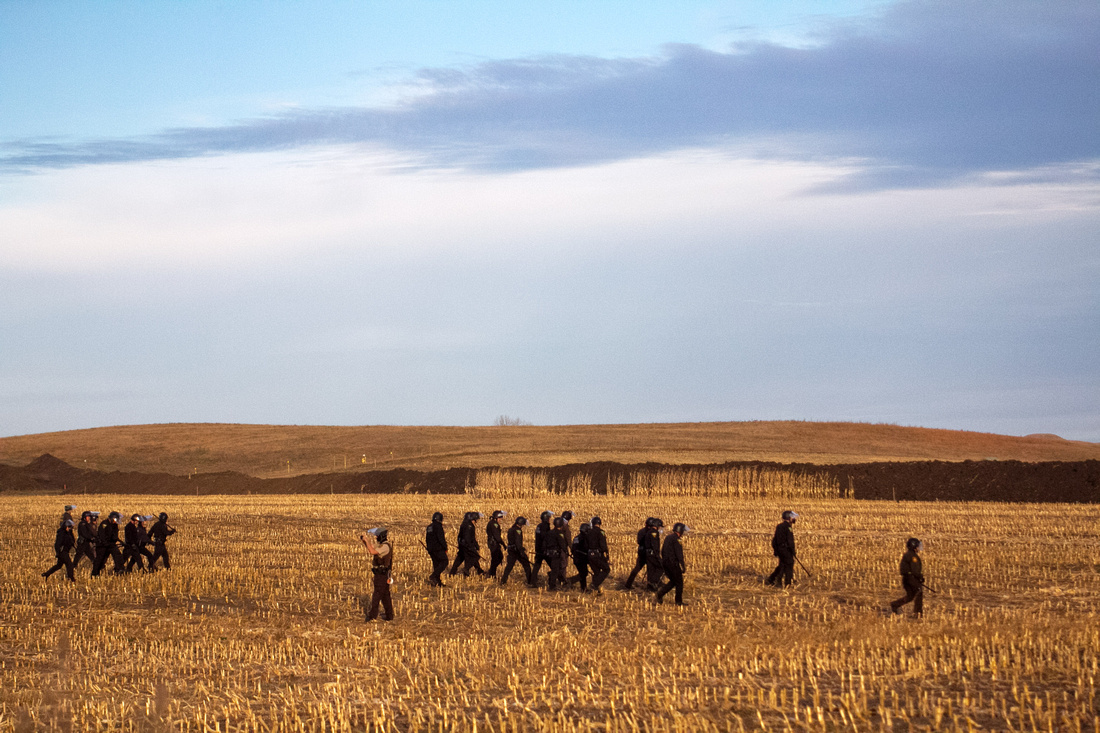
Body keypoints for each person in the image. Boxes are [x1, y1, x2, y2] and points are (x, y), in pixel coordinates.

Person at [360, 527, 394, 621]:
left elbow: (372, 551)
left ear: (382, 537)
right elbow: (372, 549)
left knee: (377, 596)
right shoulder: (383, 545)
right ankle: (389, 616)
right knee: (385, 596)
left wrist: (367, 540)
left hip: (381, 576)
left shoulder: (385, 547)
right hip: (382, 574)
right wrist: (365, 541)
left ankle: (372, 616)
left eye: (377, 536)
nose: (376, 538)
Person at [889, 538, 925, 618]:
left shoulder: (908, 555)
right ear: (914, 547)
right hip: (911, 579)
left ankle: (895, 604)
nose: (919, 548)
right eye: (917, 546)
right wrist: (920, 577)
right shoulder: (913, 557)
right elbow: (915, 570)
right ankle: (918, 614)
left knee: (910, 596)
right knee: (919, 592)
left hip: (907, 579)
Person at [655, 522, 689, 606]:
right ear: (680, 531)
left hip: (666, 563)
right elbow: (679, 553)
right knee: (679, 583)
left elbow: (663, 551)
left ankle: (660, 594)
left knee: (674, 581)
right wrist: (682, 565)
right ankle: (678, 602)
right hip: (673, 564)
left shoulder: (668, 537)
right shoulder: (678, 539)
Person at [766, 510, 798, 587]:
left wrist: (776, 550)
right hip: (786, 550)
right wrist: (793, 551)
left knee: (782, 565)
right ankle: (788, 583)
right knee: (789, 564)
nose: (794, 519)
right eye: (792, 517)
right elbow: (790, 541)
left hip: (780, 549)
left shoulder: (779, 526)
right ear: (789, 518)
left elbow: (774, 540)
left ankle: (772, 579)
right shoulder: (788, 528)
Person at [501, 516, 533, 586]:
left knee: (509, 566)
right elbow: (518, 542)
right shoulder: (518, 531)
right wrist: (521, 551)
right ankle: (530, 581)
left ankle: (503, 580)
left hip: (511, 550)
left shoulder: (511, 529)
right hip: (517, 551)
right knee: (526, 565)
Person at [622, 518, 653, 590]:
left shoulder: (643, 531)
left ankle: (629, 584)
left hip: (644, 554)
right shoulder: (646, 532)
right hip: (644, 554)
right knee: (642, 569)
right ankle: (629, 585)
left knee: (644, 570)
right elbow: (640, 542)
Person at [91, 512, 124, 577]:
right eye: (115, 520)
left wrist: (119, 541)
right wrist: (105, 543)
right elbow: (101, 535)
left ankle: (119, 569)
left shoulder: (115, 525)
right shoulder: (104, 524)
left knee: (117, 555)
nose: (115, 522)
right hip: (102, 545)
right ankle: (95, 573)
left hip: (111, 544)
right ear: (111, 518)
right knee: (100, 560)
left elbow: (115, 535)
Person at [586, 517, 611, 594]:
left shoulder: (588, 532)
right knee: (606, 569)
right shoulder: (601, 532)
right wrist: (606, 555)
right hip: (597, 555)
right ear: (600, 523)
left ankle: (594, 591)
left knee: (596, 572)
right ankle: (594, 585)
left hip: (589, 554)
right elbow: (603, 546)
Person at [529, 511, 554, 586]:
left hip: (538, 549)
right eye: (549, 518)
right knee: (553, 566)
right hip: (544, 550)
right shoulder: (545, 526)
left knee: (536, 566)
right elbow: (545, 538)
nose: (550, 519)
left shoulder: (539, 526)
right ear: (546, 518)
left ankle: (532, 581)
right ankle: (557, 580)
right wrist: (546, 549)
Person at [424, 512, 448, 587]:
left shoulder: (429, 527)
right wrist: (445, 547)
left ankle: (437, 582)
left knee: (436, 565)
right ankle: (433, 576)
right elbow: (441, 539)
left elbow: (427, 538)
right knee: (444, 562)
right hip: (438, 548)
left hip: (431, 549)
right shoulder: (438, 526)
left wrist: (428, 548)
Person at [547, 517, 570, 590]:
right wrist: (566, 551)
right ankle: (552, 586)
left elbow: (545, 542)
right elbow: (562, 544)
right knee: (555, 570)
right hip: (556, 554)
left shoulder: (550, 532)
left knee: (555, 569)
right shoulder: (560, 534)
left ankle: (562, 581)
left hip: (549, 553)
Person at [458, 512, 484, 577]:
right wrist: (470, 546)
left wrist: (476, 545)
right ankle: (466, 569)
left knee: (469, 558)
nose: (477, 520)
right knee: (476, 556)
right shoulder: (469, 526)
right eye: (477, 519)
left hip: (466, 545)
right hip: (467, 545)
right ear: (474, 519)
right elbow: (468, 538)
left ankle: (478, 571)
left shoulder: (467, 524)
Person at [567, 522, 591, 590]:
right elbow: (586, 548)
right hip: (582, 558)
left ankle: (583, 588)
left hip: (576, 558)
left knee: (583, 573)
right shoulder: (585, 538)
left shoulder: (576, 538)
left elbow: (573, 548)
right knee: (583, 573)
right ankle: (570, 581)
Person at [644, 518, 665, 591]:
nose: (660, 528)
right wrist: (657, 555)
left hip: (648, 553)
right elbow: (654, 545)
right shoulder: (654, 533)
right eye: (660, 527)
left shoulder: (648, 532)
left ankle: (650, 587)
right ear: (657, 526)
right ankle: (653, 582)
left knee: (651, 569)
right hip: (653, 554)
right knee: (662, 567)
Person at [485, 510, 507, 578]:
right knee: (495, 559)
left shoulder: (491, 523)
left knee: (499, 557)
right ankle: (492, 574)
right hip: (494, 544)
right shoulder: (494, 524)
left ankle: (491, 571)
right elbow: (497, 536)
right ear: (496, 518)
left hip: (493, 543)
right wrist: (503, 544)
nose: (500, 519)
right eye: (500, 518)